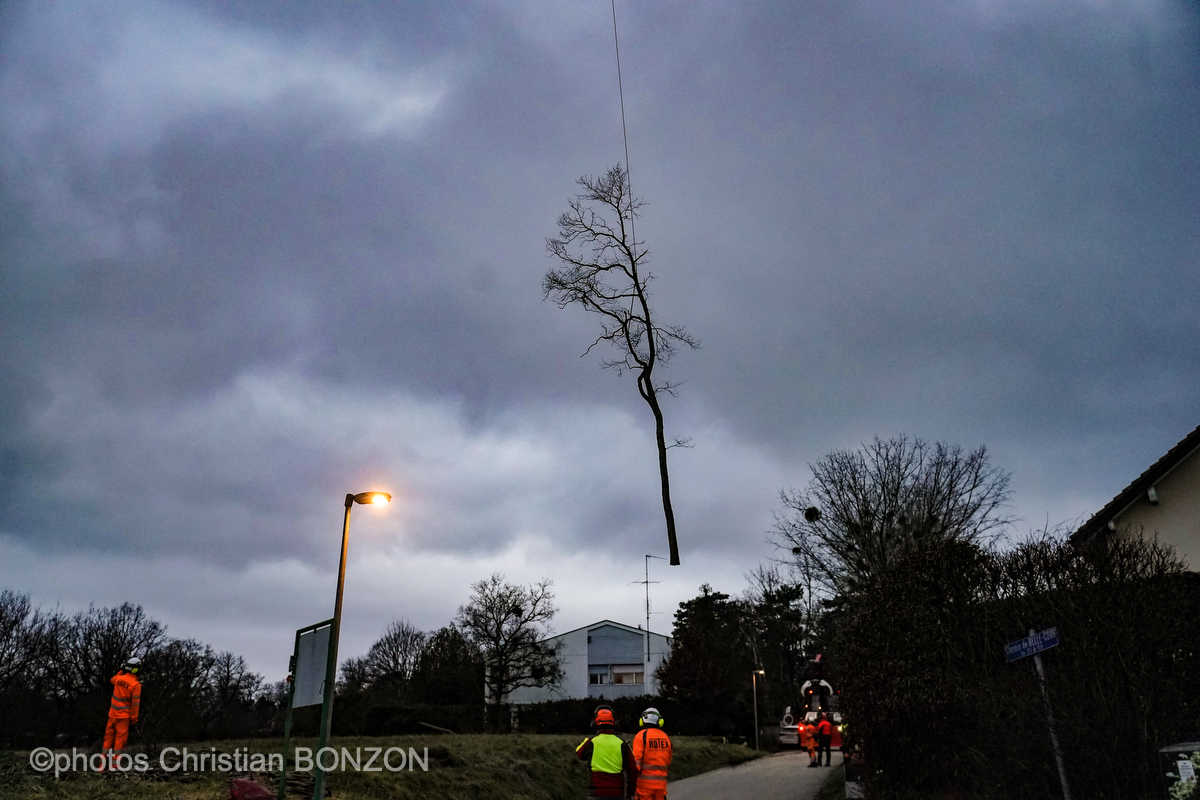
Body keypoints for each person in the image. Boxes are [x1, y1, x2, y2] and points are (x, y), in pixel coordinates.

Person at [576, 705, 638, 799]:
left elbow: (579, 753)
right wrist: (630, 792)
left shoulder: (591, 743)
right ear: (615, 723)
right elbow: (633, 770)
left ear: (594, 723)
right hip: (617, 793)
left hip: (595, 792)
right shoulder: (623, 744)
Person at [101, 656, 142, 772]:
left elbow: (112, 679)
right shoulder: (136, 685)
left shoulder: (118, 679)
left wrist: (120, 672)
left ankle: (101, 766)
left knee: (107, 741)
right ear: (136, 669)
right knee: (120, 742)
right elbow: (135, 705)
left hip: (112, 715)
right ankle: (114, 767)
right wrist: (134, 720)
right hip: (123, 718)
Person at [631, 707, 672, 799]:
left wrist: (631, 784)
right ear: (660, 721)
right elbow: (668, 763)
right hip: (661, 787)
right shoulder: (666, 738)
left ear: (642, 721)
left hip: (644, 787)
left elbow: (636, 763)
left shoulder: (640, 736)